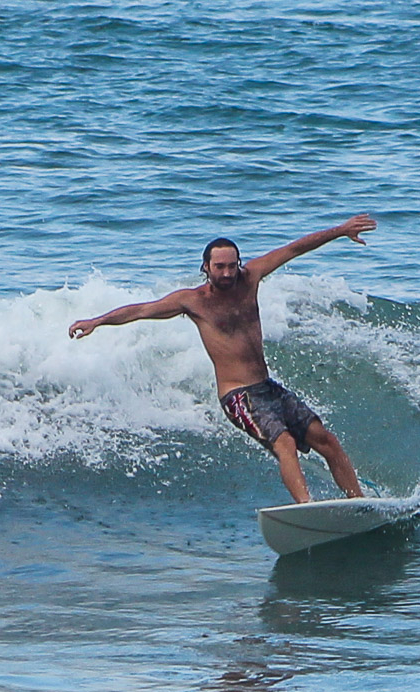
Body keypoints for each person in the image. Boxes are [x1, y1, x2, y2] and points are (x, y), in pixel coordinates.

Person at [69, 214, 377, 503]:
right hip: (238, 396)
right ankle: (307, 507)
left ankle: (359, 503)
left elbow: (294, 248)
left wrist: (340, 230)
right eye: (220, 267)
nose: (228, 273)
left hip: (268, 388)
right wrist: (97, 321)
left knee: (327, 440)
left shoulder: (251, 277)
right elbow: (139, 311)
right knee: (285, 444)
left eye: (232, 265)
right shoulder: (192, 302)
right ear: (205, 267)